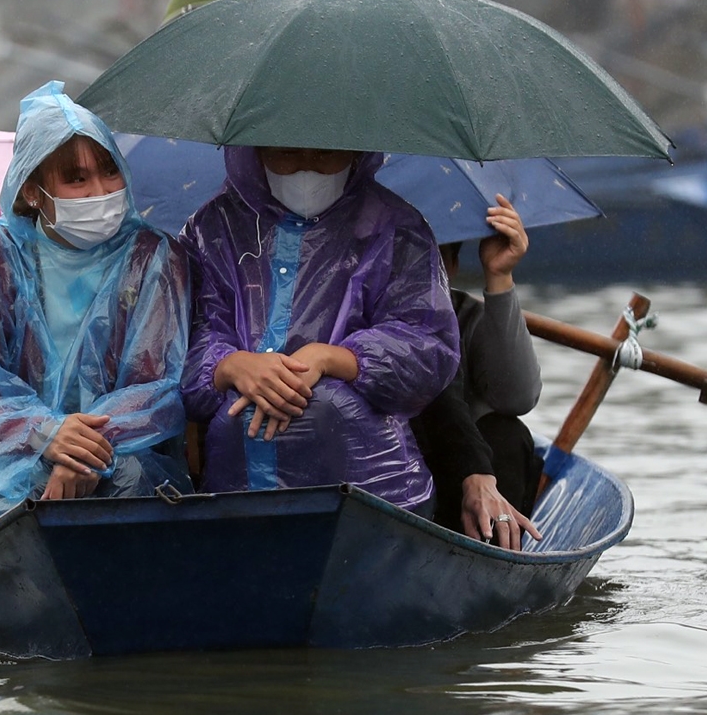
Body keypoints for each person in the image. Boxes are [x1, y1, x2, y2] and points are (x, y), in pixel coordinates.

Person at [0, 82, 193, 546]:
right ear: (33, 190)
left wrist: (84, 452)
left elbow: (157, 386)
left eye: (109, 171)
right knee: (22, 503)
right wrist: (43, 434)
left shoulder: (153, 257)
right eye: (76, 179)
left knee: (132, 481)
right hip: (13, 464)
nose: (100, 190)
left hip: (126, 455)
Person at [180, 145, 460, 514]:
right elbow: (180, 342)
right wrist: (230, 365)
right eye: (287, 152)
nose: (306, 169)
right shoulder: (214, 228)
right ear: (255, 149)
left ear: (355, 153)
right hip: (235, 493)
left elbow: (429, 349)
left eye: (326, 154)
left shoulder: (395, 228)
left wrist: (333, 359)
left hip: (370, 498)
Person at [410, 194, 544, 551]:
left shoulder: (463, 316)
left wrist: (499, 277)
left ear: (451, 266)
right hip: (389, 477)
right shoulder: (349, 313)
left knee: (507, 434)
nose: (409, 272)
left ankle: (490, 550)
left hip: (457, 483)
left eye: (427, 258)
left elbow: (517, 396)